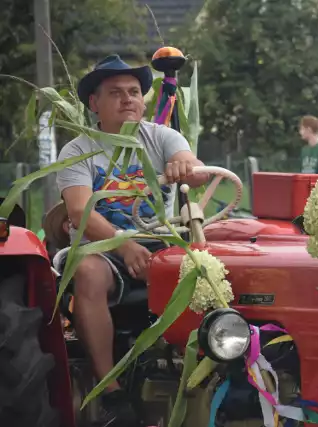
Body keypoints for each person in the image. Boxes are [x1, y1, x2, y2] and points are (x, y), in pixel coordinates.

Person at [54, 54, 212, 426]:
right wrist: (122, 245)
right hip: (102, 248)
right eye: (115, 93)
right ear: (95, 103)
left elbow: (197, 169)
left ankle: (212, 372)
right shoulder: (77, 151)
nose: (128, 99)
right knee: (89, 272)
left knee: (216, 269)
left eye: (134, 92)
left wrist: (186, 167)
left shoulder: (161, 137)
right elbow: (79, 211)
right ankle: (110, 390)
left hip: (163, 242)